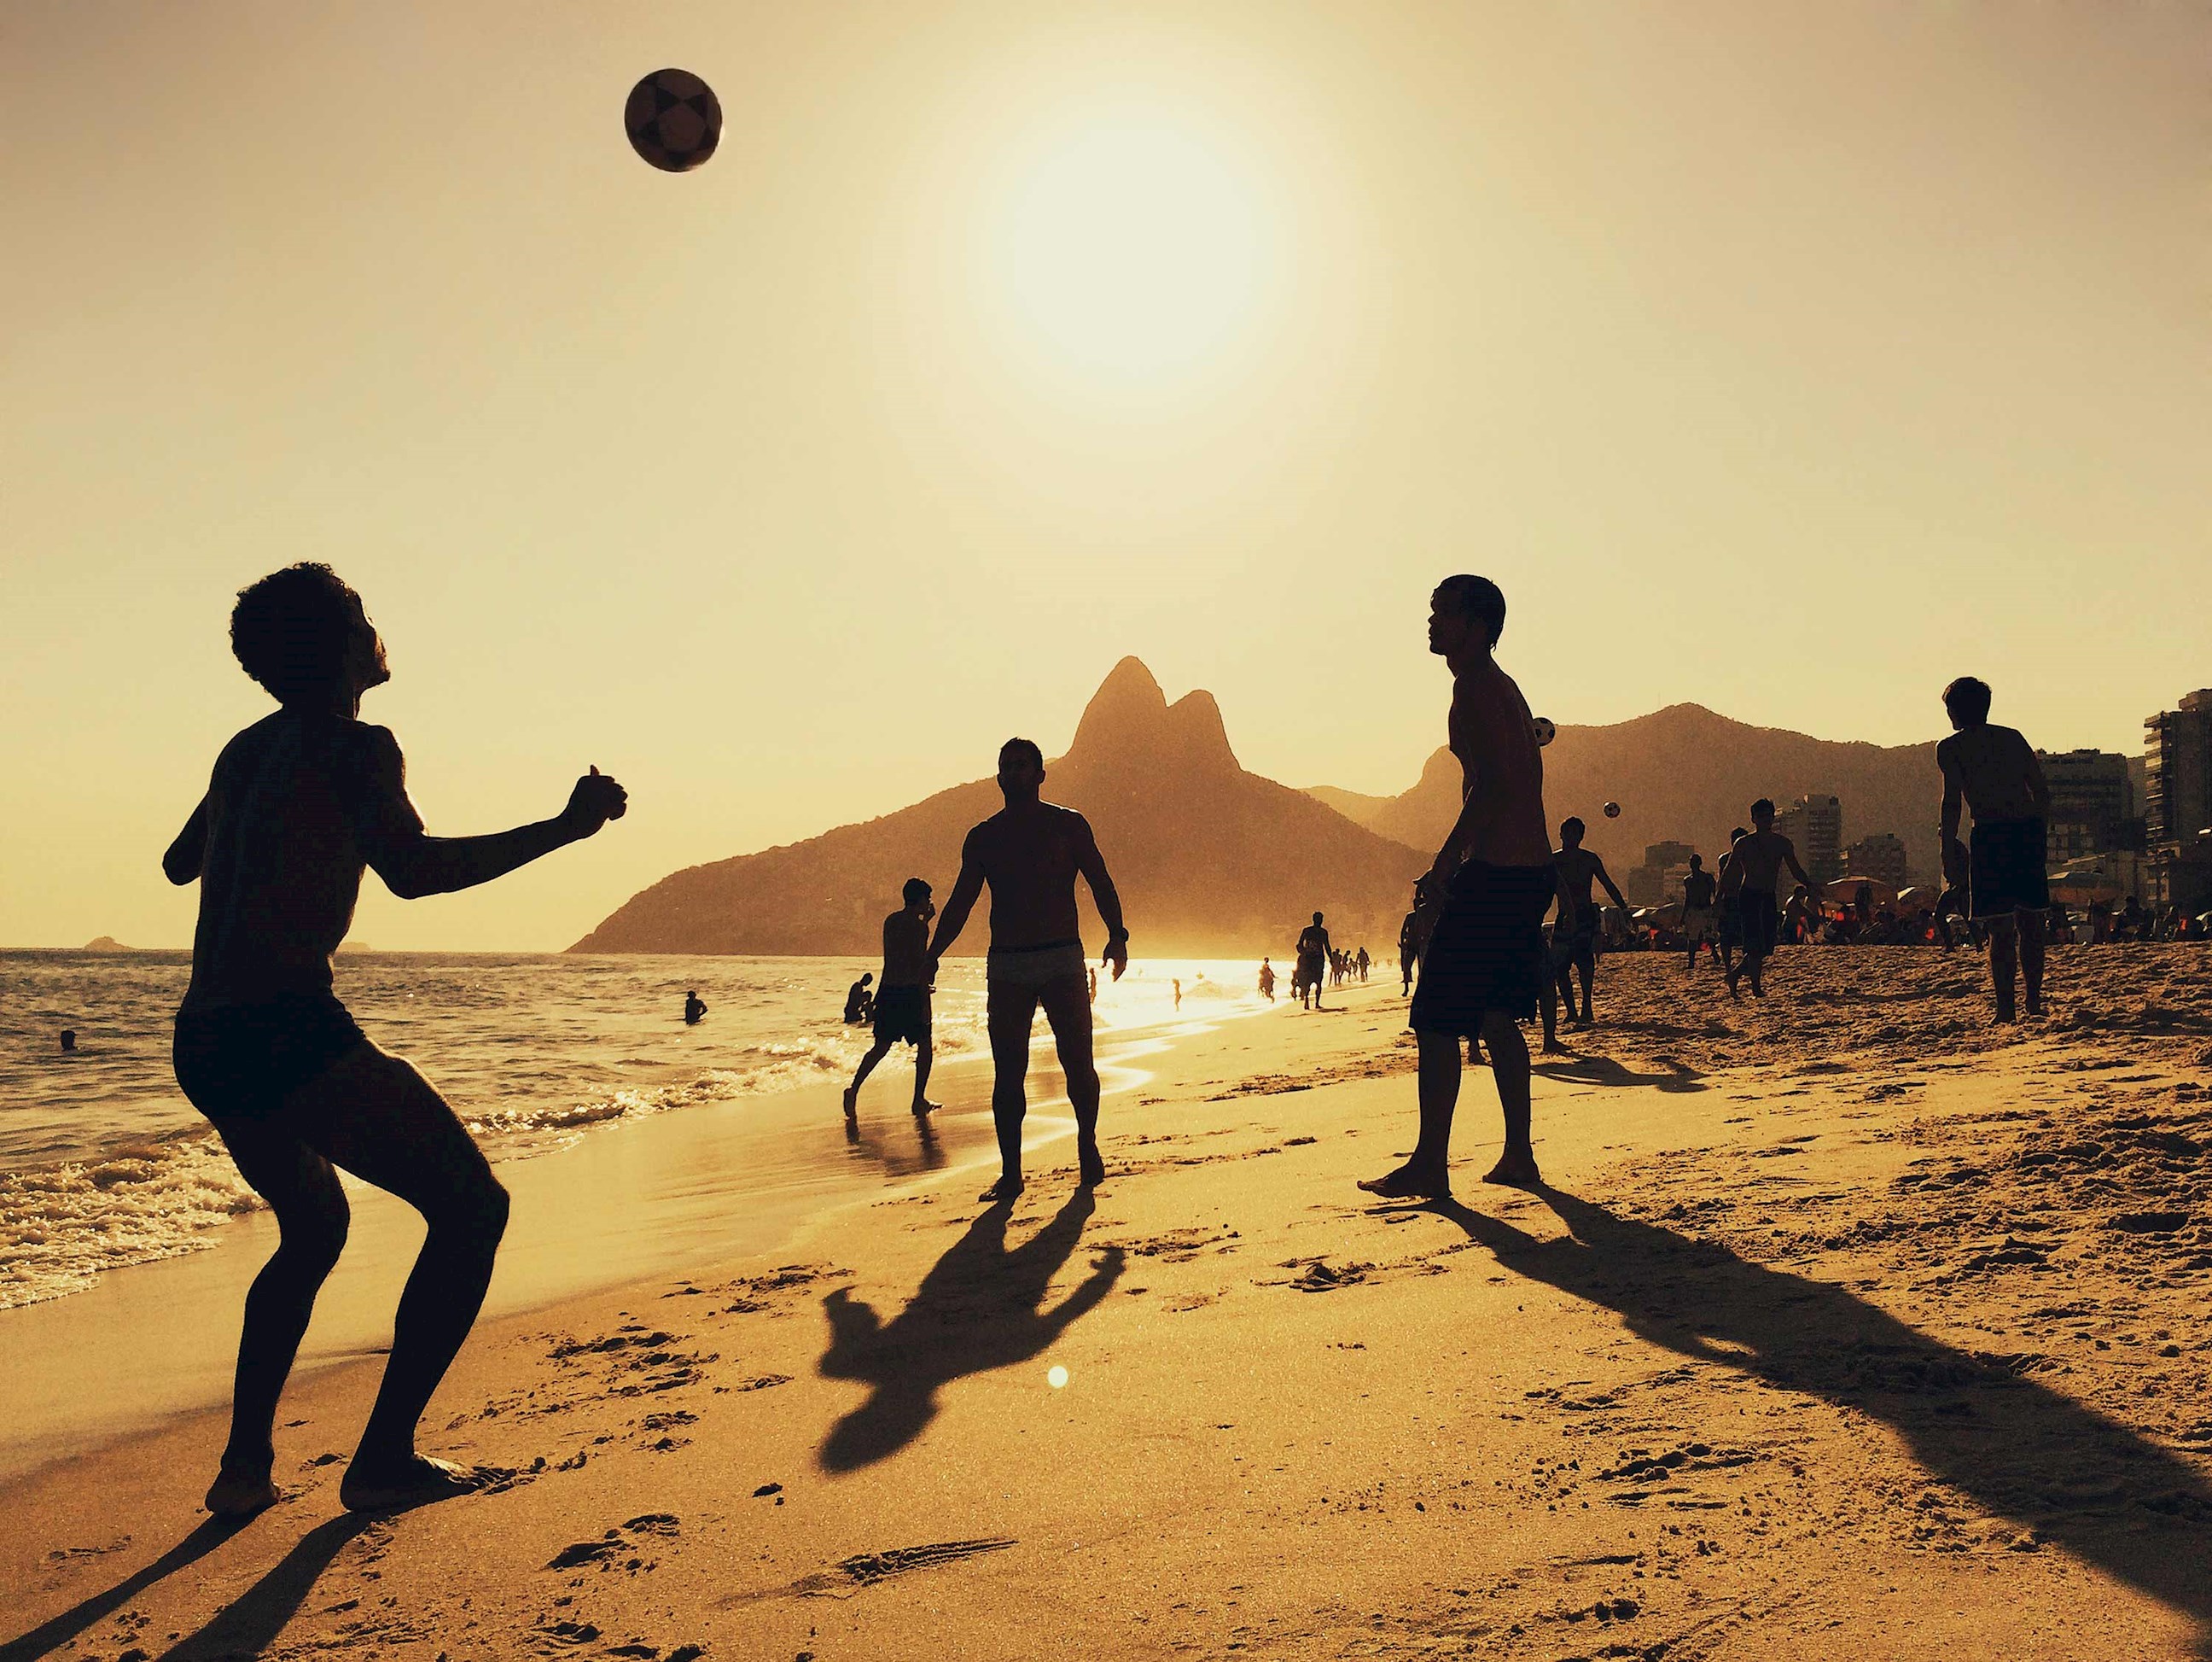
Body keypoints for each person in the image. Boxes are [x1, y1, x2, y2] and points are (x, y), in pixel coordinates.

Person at [163, 563, 626, 1518]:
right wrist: (565, 828)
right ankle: (381, 1460)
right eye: (363, 617)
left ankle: (245, 1469)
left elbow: (179, 864)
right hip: (287, 1026)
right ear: (343, 647)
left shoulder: (243, 750)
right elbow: (413, 875)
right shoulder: (360, 746)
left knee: (315, 1229)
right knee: (472, 1208)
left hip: (205, 1035)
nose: (379, 629)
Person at [1359, 575, 1569, 1198]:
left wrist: (1446, 863)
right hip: (1527, 873)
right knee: (1496, 1015)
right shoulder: (1495, 686)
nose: (1432, 621)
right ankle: (1519, 1156)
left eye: (1443, 612)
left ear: (1476, 627)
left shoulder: (1477, 687)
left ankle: (1430, 1164)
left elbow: (1496, 786)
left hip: (1499, 873)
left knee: (1435, 1017)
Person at [928, 738, 1129, 1201]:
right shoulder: (984, 837)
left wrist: (1118, 933)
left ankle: (1087, 1145)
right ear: (998, 778)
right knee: (1008, 1072)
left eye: (1023, 766)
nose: (1014, 772)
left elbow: (1100, 879)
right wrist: (932, 954)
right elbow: (960, 902)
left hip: (1062, 958)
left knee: (1079, 1064)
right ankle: (1012, 1172)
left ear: (1041, 775)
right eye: (1007, 766)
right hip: (1007, 966)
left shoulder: (1069, 826)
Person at [1937, 677, 2052, 1023]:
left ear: (1957, 710)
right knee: (2031, 923)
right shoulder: (2012, 738)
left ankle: (2006, 1010)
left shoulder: (1951, 747)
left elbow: (1951, 803)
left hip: (1989, 834)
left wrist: (1947, 848)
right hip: (2025, 832)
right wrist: (2038, 832)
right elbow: (2041, 792)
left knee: (1999, 928)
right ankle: (2032, 1001)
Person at [844, 878, 940, 1123]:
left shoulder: (891, 921)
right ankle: (918, 1099)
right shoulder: (919, 927)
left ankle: (853, 1090)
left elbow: (897, 956)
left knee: (881, 1047)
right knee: (925, 1046)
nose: (929, 903)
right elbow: (918, 958)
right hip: (911, 993)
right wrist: (927, 924)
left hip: (888, 991)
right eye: (927, 898)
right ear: (919, 900)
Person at [1723, 802, 1816, 998]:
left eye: (1768, 816)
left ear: (1773, 818)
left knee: (1765, 946)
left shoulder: (1782, 843)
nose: (1765, 820)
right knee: (1754, 944)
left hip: (1768, 895)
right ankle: (1756, 988)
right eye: (1761, 816)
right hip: (1749, 895)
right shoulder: (1743, 843)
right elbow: (1730, 871)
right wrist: (1719, 899)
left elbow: (1795, 869)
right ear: (1753, 819)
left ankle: (1735, 975)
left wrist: (1810, 884)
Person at [1551, 817, 1627, 1022]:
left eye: (1575, 834)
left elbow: (1608, 884)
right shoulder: (1553, 860)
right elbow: (1543, 890)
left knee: (1585, 964)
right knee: (1559, 967)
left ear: (1581, 836)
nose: (1571, 837)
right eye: (1567, 833)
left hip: (1585, 916)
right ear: (1561, 834)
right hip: (1564, 917)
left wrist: (1623, 907)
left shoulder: (1589, 859)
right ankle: (1571, 1011)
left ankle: (1586, 1007)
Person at [1680, 854, 1720, 970]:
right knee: (1694, 938)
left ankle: (1710, 955)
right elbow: (1688, 899)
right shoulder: (1689, 880)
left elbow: (1714, 893)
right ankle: (1692, 961)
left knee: (1705, 936)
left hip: (1703, 909)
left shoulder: (1705, 878)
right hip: (1695, 910)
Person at [1295, 913, 1331, 1010]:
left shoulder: (1307, 931)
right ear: (1321, 920)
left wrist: (1303, 953)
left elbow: (1299, 944)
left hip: (1308, 959)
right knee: (1318, 982)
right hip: (1318, 959)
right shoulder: (1323, 932)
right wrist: (1331, 959)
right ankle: (1316, 1003)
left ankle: (1307, 1001)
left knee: (1307, 981)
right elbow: (1327, 946)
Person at [1397, 904, 1419, 995]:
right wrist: (1403, 942)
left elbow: (1403, 931)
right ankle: (1406, 989)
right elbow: (1403, 930)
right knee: (1406, 967)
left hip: (1418, 944)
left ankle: (1409, 989)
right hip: (1412, 945)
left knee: (1413, 967)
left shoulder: (1423, 914)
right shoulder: (1411, 916)